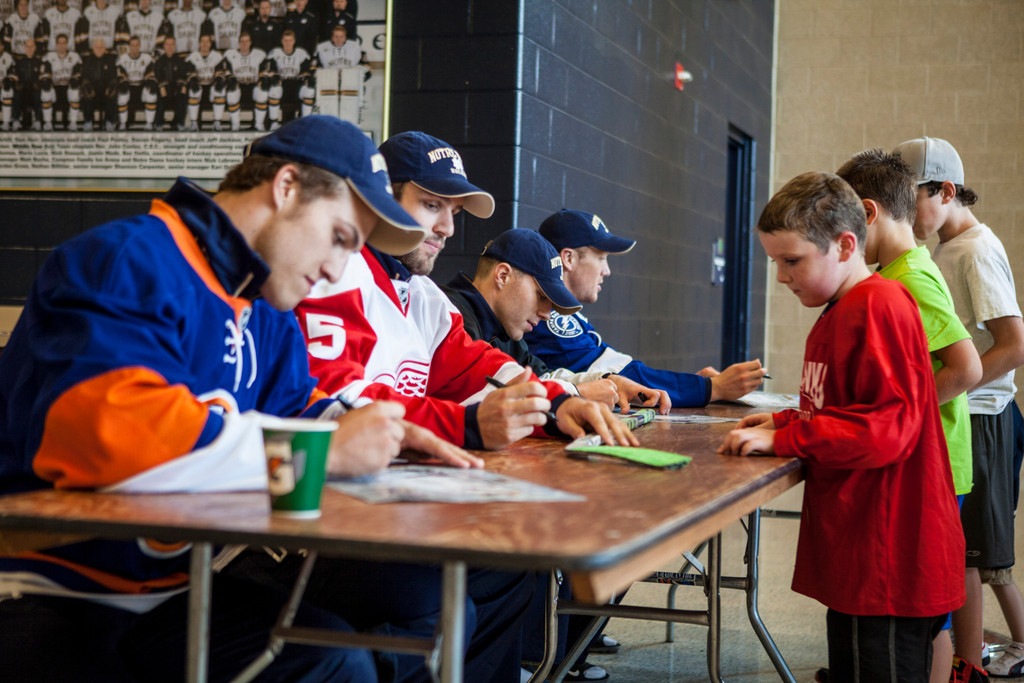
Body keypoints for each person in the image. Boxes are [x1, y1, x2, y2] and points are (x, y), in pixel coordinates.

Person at [0, 115, 490, 682]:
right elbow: (112, 433)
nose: (337, 268)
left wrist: (391, 437)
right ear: (285, 188)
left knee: (347, 654)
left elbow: (302, 407)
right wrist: (327, 451)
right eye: (339, 238)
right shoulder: (130, 257)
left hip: (171, 589)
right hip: (47, 592)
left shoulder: (264, 308)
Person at [719, 171, 965, 683]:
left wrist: (785, 438)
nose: (783, 277)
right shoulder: (842, 307)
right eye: (775, 263)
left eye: (793, 261)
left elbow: (885, 427)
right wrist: (787, 419)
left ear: (845, 244)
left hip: (888, 560)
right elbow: (844, 405)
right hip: (864, 554)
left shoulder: (879, 306)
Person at [295, 131, 642, 452]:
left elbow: (481, 367)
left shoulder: (424, 296)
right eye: (432, 205)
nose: (446, 228)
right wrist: (466, 426)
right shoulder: (335, 271)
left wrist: (558, 405)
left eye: (454, 212)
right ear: (384, 197)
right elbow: (335, 402)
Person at [836, 148, 983, 683]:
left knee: (929, 613)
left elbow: (964, 369)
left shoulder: (911, 278)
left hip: (939, 460)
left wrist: (895, 413)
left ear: (869, 213)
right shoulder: (895, 272)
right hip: (927, 456)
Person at [893, 136, 1024, 681]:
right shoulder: (938, 248)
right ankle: (982, 654)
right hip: (966, 415)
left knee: (976, 556)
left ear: (946, 191)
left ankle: (970, 664)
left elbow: (1014, 343)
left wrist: (946, 388)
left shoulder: (975, 248)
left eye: (912, 200)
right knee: (976, 554)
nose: (906, 214)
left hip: (987, 418)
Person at [525, 209, 768, 407]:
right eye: (601, 258)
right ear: (568, 258)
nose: (607, 270)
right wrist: (711, 388)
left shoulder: (567, 311)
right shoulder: (549, 316)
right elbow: (619, 376)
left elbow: (618, 371)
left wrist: (692, 383)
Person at [262, 27, 311, 125]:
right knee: (274, 89)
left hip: (296, 85)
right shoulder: (275, 53)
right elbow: (271, 71)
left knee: (309, 90)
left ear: (294, 41)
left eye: (290, 40)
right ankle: (274, 123)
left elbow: (306, 72)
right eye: (285, 40)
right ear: (282, 41)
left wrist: (304, 77)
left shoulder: (301, 53)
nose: (288, 43)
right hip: (282, 84)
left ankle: (306, 122)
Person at [221, 28, 265, 130]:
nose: (244, 44)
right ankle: (235, 125)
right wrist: (230, 78)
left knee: (263, 90)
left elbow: (263, 72)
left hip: (253, 86)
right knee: (231, 92)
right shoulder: (231, 55)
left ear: (250, 42)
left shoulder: (259, 54)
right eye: (242, 41)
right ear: (239, 43)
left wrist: (261, 79)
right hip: (238, 86)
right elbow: (226, 71)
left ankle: (259, 125)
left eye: (246, 41)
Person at [2, 37, 45, 130]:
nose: (29, 49)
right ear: (24, 48)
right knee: (16, 93)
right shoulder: (19, 62)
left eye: (31, 46)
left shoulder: (39, 62)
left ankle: (37, 121)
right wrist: (16, 82)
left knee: (38, 94)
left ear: (35, 48)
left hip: (34, 90)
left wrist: (39, 83)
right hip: (22, 90)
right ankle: (16, 120)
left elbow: (43, 76)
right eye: (27, 46)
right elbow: (13, 75)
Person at [115, 34, 156, 129]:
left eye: (136, 45)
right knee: (122, 92)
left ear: (140, 46)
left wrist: (148, 81)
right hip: (129, 86)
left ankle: (149, 124)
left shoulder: (146, 58)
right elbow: (121, 75)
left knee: (151, 92)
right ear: (129, 47)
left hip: (141, 86)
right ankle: (122, 123)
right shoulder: (123, 59)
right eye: (132, 45)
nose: (134, 47)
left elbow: (150, 74)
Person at [184, 32, 223, 129]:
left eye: (207, 42)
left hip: (211, 85)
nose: (205, 44)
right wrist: (193, 80)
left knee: (219, 89)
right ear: (199, 43)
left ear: (210, 43)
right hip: (199, 85)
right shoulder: (192, 57)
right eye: (203, 41)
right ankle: (194, 122)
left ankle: (217, 122)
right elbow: (190, 75)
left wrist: (218, 80)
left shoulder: (217, 56)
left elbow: (219, 73)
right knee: (194, 90)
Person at [151, 33, 189, 129]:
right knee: (161, 92)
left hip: (176, 90)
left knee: (183, 92)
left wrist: (181, 86)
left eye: (172, 44)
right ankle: (159, 123)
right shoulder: (159, 61)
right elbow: (157, 77)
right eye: (167, 44)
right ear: (164, 46)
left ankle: (179, 123)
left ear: (175, 46)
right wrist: (161, 86)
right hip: (164, 90)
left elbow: (183, 77)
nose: (170, 47)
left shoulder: (180, 61)